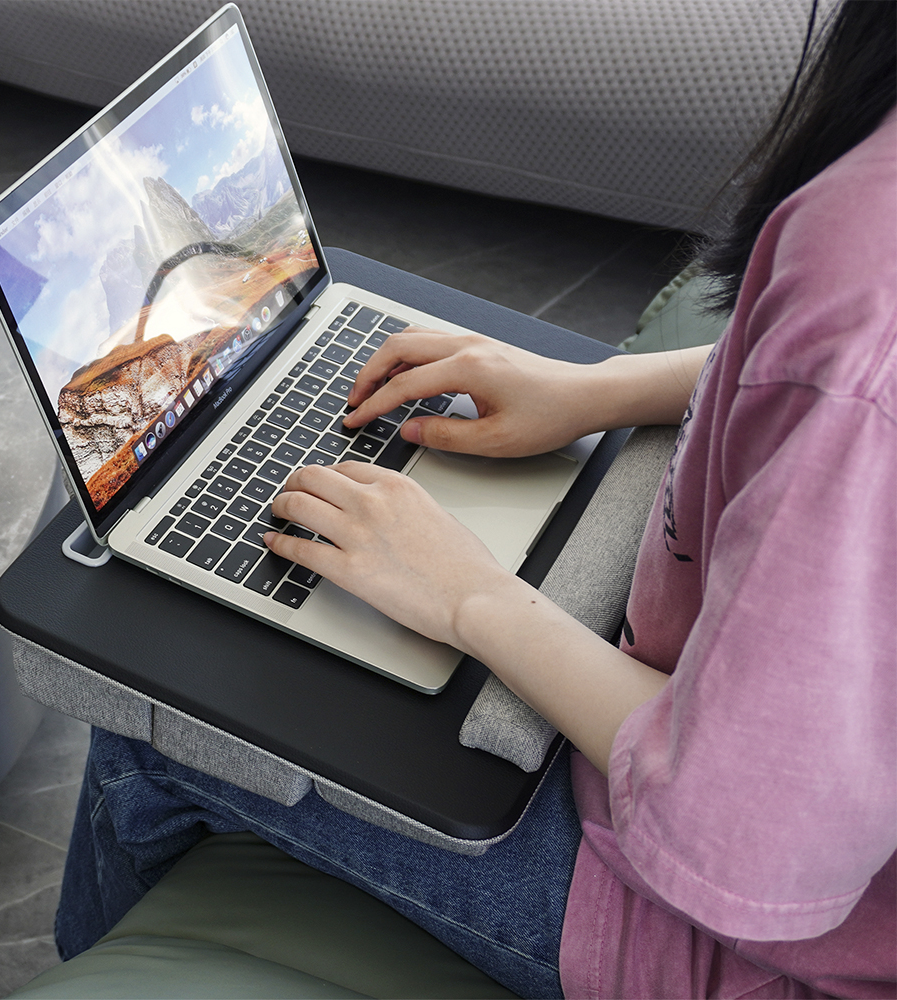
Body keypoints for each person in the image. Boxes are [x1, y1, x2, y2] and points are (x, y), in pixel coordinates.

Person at [55, 2, 896, 996]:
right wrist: (594, 389)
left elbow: (743, 837)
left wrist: (469, 593)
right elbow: (824, 386)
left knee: (146, 714)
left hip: (725, 939)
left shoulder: (865, 263)